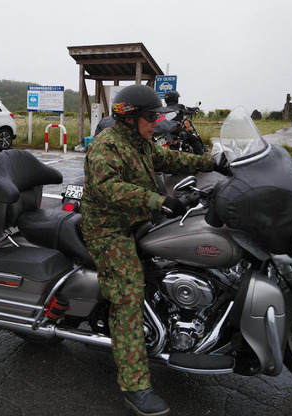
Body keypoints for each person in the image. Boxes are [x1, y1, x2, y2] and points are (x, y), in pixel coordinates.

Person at [81, 84, 223, 416]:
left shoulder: (141, 143)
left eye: (158, 117)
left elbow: (170, 157)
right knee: (128, 297)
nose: (156, 124)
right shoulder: (106, 146)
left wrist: (214, 163)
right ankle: (135, 387)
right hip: (110, 230)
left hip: (140, 221)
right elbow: (106, 187)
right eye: (150, 117)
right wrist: (159, 200)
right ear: (129, 118)